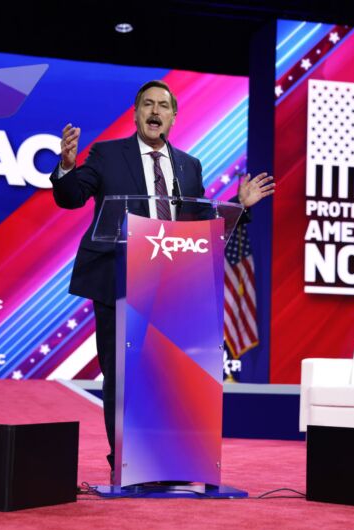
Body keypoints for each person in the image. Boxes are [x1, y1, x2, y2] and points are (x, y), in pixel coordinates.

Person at [50, 80, 274, 474]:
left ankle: (166, 462)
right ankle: (123, 460)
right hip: (118, 277)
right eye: (148, 105)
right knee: (120, 375)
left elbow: (199, 225)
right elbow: (71, 198)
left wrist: (239, 204)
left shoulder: (189, 166)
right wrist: (67, 166)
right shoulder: (107, 154)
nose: (155, 112)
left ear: (172, 116)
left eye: (163, 106)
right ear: (136, 113)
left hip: (172, 282)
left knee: (168, 376)